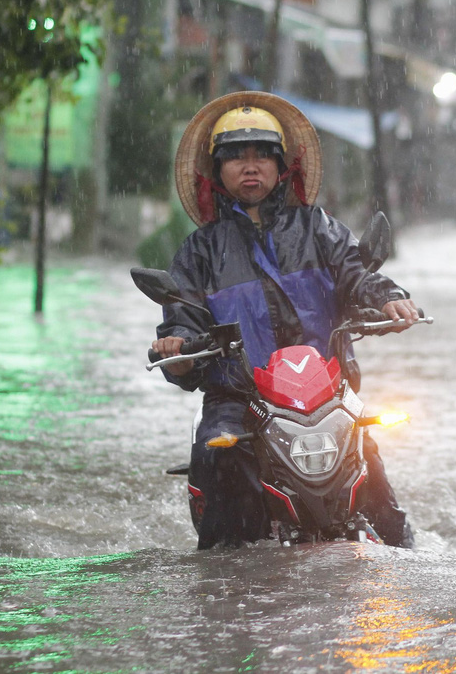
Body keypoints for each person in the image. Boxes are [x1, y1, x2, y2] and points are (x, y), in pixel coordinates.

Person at [151, 91, 421, 550]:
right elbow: (182, 320)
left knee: (373, 472)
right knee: (216, 454)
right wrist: (177, 348)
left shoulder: (319, 228)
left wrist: (389, 297)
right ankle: (217, 577)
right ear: (217, 171)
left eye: (261, 155)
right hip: (238, 399)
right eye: (236, 157)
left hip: (325, 394)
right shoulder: (198, 252)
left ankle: (405, 555)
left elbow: (357, 275)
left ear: (282, 166)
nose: (249, 166)